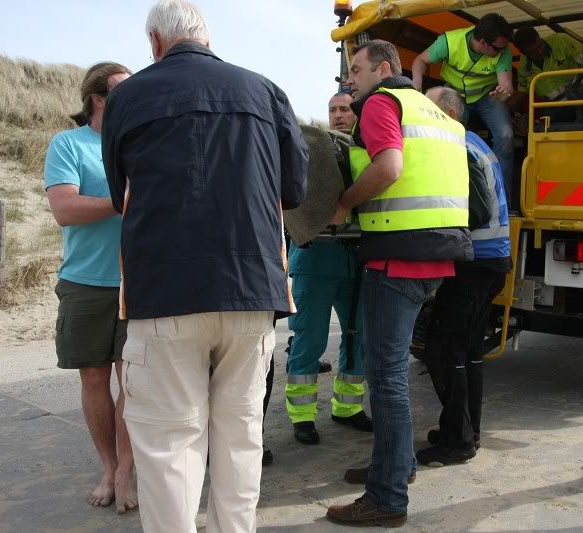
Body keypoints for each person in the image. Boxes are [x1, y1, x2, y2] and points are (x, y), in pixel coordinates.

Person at [101, 1, 308, 531]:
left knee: (171, 444)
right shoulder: (264, 89)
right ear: (207, 38)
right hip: (252, 288)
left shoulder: (126, 97)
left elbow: (120, 191)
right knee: (240, 437)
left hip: (163, 291)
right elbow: (294, 189)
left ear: (154, 43)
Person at [325, 39, 472, 528]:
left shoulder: (382, 103)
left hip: (397, 256)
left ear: (384, 68)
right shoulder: (436, 111)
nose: (351, 81)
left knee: (385, 379)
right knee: (391, 376)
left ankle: (386, 497)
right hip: (438, 256)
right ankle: (399, 465)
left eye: (357, 69)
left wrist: (344, 201)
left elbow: (389, 167)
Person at [44, 61, 137, 515]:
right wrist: (120, 201)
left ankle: (127, 471)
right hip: (84, 282)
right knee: (96, 379)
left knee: (133, 381)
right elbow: (64, 209)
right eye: (124, 88)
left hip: (138, 282)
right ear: (97, 98)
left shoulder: (138, 143)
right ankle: (108, 465)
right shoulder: (69, 144)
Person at [420, 86, 511, 466]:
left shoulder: (458, 147)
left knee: (443, 350)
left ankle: (458, 441)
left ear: (451, 115)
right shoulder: (478, 143)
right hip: (491, 262)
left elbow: (473, 212)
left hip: (472, 264)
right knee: (470, 352)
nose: (423, 117)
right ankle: (468, 430)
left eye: (430, 111)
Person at [284, 92, 373, 445]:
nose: (338, 115)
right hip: (315, 257)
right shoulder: (311, 150)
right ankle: (302, 416)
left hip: (356, 257)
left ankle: (348, 408)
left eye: (345, 109)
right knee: (310, 339)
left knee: (358, 337)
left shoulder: (367, 151)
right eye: (333, 110)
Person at [411, 14, 515, 194]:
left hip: (487, 96)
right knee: (446, 135)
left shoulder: (504, 51)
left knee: (506, 136)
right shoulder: (450, 41)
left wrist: (503, 94)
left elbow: (506, 85)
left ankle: (500, 196)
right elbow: (420, 60)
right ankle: (448, 191)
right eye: (499, 48)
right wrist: (416, 84)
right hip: (454, 94)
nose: (503, 51)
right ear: (483, 42)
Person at [509, 28, 583, 121]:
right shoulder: (523, 67)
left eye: (540, 46)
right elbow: (522, 91)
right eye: (533, 51)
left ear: (539, 37)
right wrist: (505, 108)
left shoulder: (561, 41)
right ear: (524, 53)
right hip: (557, 109)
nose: (539, 52)